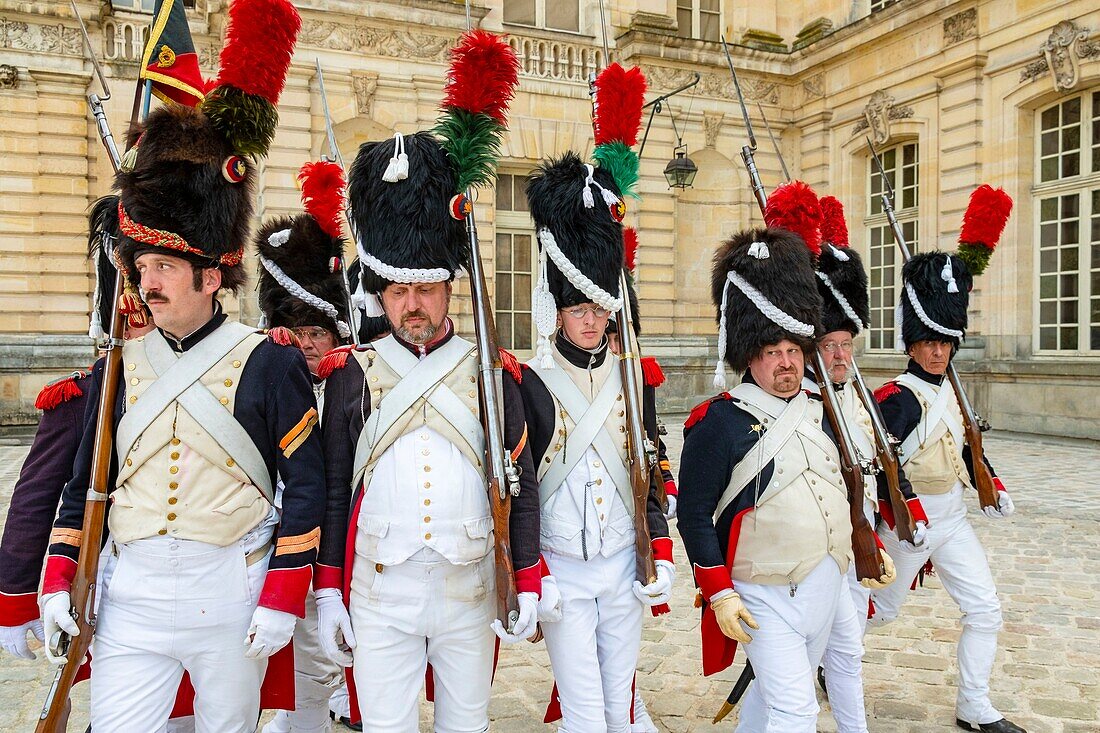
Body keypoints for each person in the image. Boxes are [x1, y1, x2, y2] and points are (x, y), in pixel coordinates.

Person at [39, 3, 319, 729]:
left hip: (229, 593)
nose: (149, 282)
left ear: (210, 274)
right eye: (143, 264)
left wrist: (282, 596)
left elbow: (308, 485)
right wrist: (57, 578)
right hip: (130, 596)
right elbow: (85, 483)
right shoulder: (118, 368)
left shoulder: (269, 364)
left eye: (165, 265)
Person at [314, 128, 542, 732]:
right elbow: (337, 488)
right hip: (378, 590)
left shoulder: (493, 373)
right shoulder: (351, 374)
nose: (413, 304)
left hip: (468, 591)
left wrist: (528, 575)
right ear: (382, 296)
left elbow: (518, 481)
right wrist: (330, 590)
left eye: (426, 289)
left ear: (448, 290)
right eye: (399, 291)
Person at [677, 221, 895, 733]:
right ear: (748, 356)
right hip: (761, 593)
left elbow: (844, 487)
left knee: (769, 703)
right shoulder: (718, 420)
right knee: (797, 710)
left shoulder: (825, 411)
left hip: (824, 584)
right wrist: (718, 590)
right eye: (771, 352)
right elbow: (692, 513)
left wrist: (869, 542)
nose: (786, 363)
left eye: (794, 351)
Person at [520, 147, 673, 733]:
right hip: (562, 566)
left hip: (621, 562)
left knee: (618, 707)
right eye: (577, 308)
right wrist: (532, 569)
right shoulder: (530, 382)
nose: (590, 320)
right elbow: (520, 484)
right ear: (558, 309)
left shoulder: (634, 379)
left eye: (598, 308)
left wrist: (658, 544)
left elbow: (648, 466)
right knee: (584, 715)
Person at [869, 186, 1024, 733]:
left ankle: (974, 706)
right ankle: (819, 657)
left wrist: (994, 483)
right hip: (910, 524)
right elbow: (876, 473)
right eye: (929, 341)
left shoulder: (955, 394)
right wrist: (889, 524)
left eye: (945, 341)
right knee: (877, 612)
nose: (938, 351)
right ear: (911, 342)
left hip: (953, 519)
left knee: (985, 610)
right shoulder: (893, 400)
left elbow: (965, 448)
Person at [808, 196, 928, 733]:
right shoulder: (802, 403)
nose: (839, 354)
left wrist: (900, 507)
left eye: (846, 343)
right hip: (812, 553)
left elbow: (882, 459)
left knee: (849, 653)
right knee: (790, 669)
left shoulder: (858, 396)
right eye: (829, 344)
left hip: (860, 541)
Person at [253, 160, 355, 733]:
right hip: (265, 544)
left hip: (331, 552)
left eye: (320, 332)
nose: (310, 344)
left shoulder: (353, 385)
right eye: (298, 333)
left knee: (318, 663)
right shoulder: (261, 382)